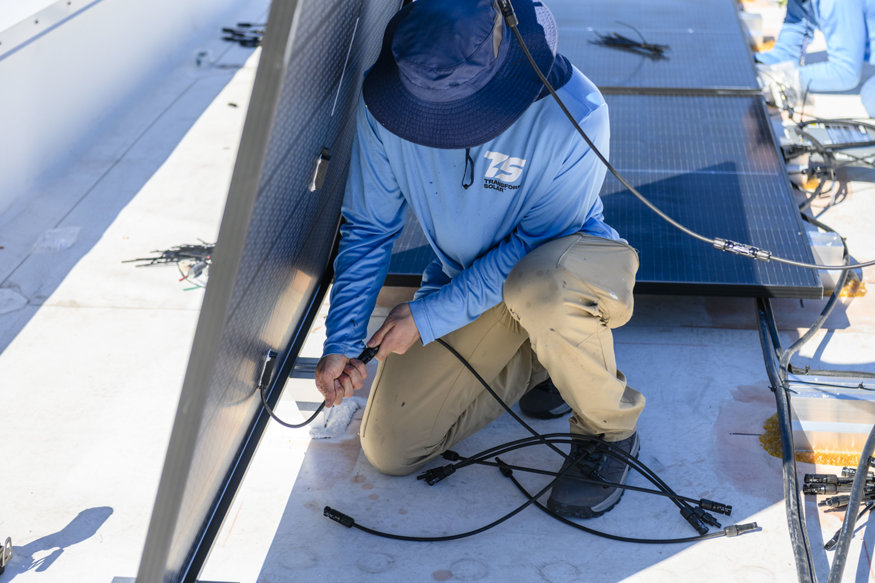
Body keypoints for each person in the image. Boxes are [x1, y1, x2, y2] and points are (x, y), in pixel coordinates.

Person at [314, 0, 644, 519]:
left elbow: (534, 242)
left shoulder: (575, 111)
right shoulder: (383, 107)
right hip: (466, 280)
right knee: (391, 449)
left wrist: (428, 316)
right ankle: (546, 360)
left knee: (542, 291)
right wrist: (343, 339)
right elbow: (370, 229)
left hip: (563, 267)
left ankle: (608, 427)